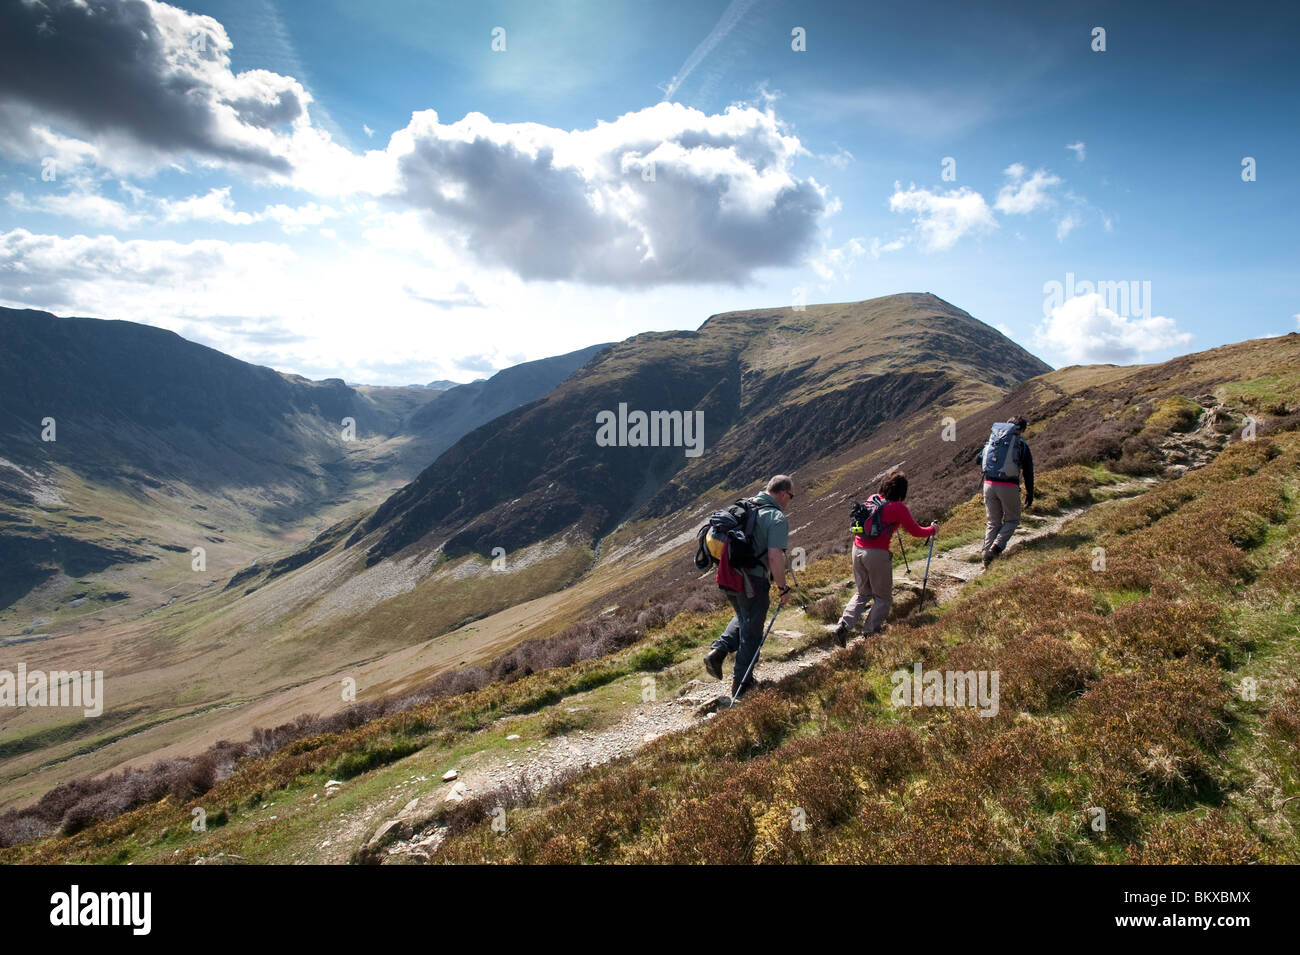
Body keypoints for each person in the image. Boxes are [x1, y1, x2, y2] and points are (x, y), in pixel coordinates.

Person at [703, 475, 794, 698]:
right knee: (752, 633)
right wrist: (782, 587)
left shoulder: (745, 505)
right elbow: (775, 557)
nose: (790, 500)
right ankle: (742, 685)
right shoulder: (776, 517)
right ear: (782, 493)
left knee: (744, 617)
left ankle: (718, 651)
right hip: (752, 581)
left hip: (727, 576)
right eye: (791, 496)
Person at [829, 470, 936, 648]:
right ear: (902, 491)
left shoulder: (873, 499)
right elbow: (916, 531)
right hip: (876, 554)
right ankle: (871, 632)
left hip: (857, 550)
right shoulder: (898, 508)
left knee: (863, 593)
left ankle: (843, 626)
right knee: (883, 597)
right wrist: (933, 530)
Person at [980, 416, 1034, 570]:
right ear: (1022, 430)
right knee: (1012, 520)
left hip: (988, 484)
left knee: (993, 522)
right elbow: (1028, 471)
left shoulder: (993, 441)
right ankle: (996, 548)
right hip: (1008, 485)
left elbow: (979, 460)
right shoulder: (1020, 444)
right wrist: (1030, 493)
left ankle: (986, 555)